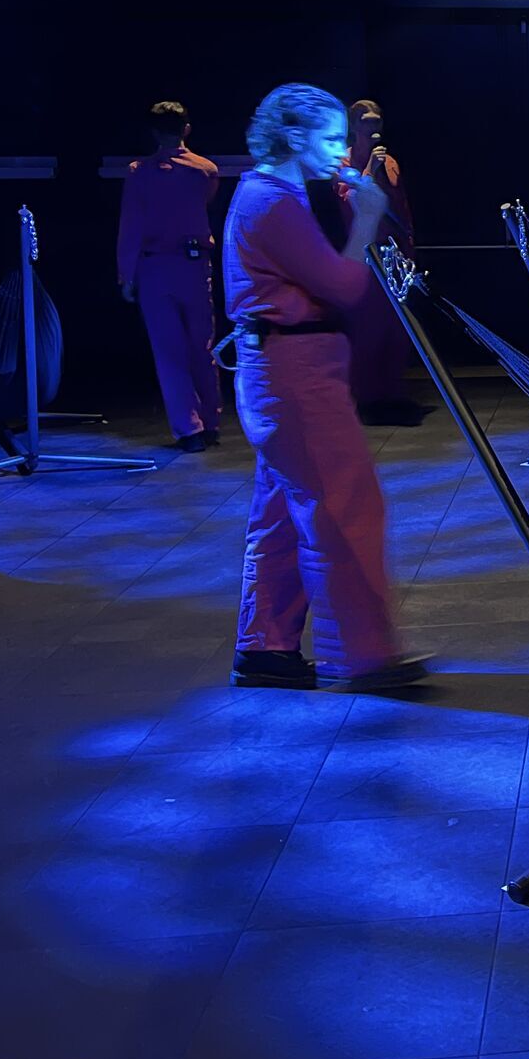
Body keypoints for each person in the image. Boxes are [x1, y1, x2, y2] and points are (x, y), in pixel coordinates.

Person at [222, 82, 427, 692]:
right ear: (293, 136)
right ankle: (363, 655)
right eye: (332, 138)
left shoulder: (268, 193)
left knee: (282, 514)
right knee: (345, 505)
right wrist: (365, 218)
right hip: (296, 375)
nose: (343, 151)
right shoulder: (273, 202)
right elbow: (343, 285)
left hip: (281, 371)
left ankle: (265, 646)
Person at [116, 100, 223, 452]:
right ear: (186, 129)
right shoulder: (205, 170)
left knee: (169, 351)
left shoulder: (139, 173)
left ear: (153, 132)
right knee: (202, 347)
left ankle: (189, 429)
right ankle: (211, 423)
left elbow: (131, 225)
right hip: (194, 265)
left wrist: (127, 274)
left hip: (155, 268)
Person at [337, 99, 425, 426]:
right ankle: (366, 397)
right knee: (366, 326)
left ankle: (392, 393)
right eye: (366, 121)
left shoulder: (389, 162)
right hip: (361, 255)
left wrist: (409, 251)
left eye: (377, 121)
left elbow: (399, 207)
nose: (373, 128)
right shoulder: (342, 161)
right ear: (354, 125)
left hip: (393, 253)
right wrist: (369, 172)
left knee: (396, 326)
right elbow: (349, 201)